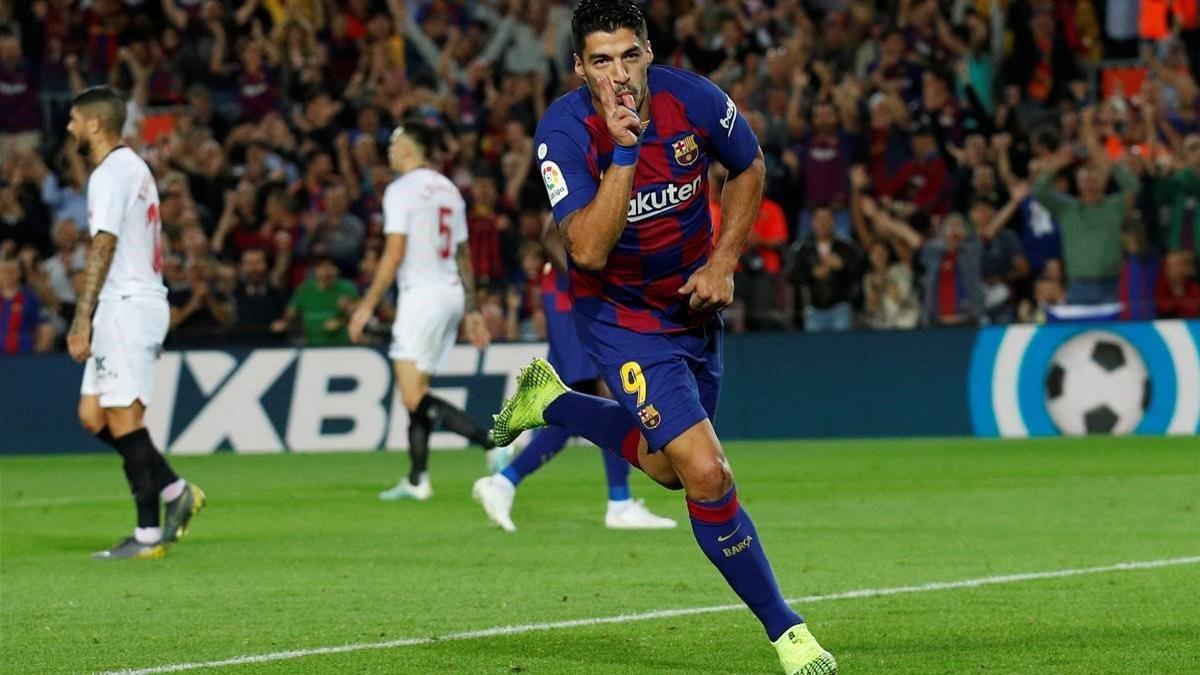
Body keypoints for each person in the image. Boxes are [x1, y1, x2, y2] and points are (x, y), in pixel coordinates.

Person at [489, 2, 836, 673]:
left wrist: (724, 261)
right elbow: (585, 249)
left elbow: (751, 165)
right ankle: (787, 630)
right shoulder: (564, 131)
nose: (618, 74)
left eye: (628, 55)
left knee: (664, 468)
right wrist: (624, 150)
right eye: (600, 61)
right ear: (579, 68)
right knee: (707, 471)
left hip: (695, 309)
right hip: (625, 321)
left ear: (648, 50)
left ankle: (552, 402)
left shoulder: (693, 100)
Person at [64, 86, 204, 561]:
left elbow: (103, 245)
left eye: (74, 120)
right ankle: (174, 490)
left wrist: (82, 317)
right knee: (93, 416)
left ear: (95, 125)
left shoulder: (110, 173)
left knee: (125, 418)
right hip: (124, 304)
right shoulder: (134, 168)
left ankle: (147, 535)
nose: (69, 128)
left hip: (125, 304)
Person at [471, 219, 677, 532]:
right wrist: (584, 276)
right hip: (576, 302)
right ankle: (617, 503)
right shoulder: (597, 176)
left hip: (577, 301)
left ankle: (505, 483)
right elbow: (549, 232)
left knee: (582, 408)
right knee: (607, 396)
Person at [348, 119, 507, 502]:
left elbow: (394, 252)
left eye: (395, 142)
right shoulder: (449, 189)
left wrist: (365, 306)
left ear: (408, 149)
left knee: (412, 396)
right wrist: (471, 310)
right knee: (417, 390)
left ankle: (492, 442)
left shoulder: (400, 190)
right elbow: (464, 256)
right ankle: (418, 479)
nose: (390, 148)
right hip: (450, 294)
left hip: (421, 298)